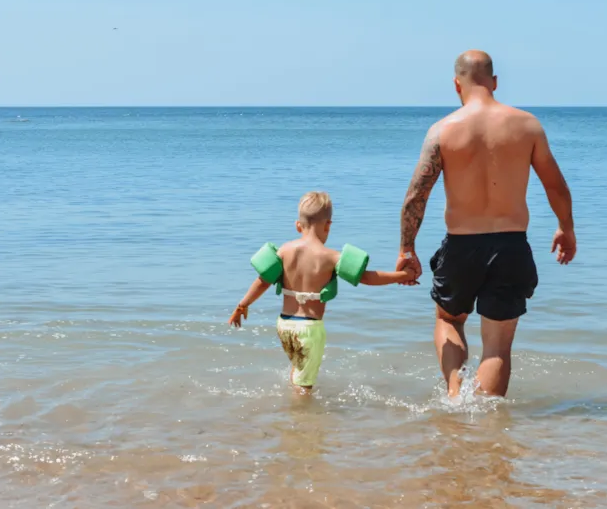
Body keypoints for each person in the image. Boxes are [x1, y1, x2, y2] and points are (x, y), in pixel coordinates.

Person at [396, 50, 576, 398]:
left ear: (456, 84)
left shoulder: (442, 131)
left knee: (449, 320)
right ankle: (485, 426)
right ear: (494, 82)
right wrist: (565, 227)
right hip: (511, 246)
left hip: (461, 245)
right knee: (496, 348)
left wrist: (407, 249)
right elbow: (556, 185)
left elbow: (416, 197)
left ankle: (455, 394)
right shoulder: (527, 126)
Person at [229, 191, 412, 394]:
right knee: (304, 386)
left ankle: (290, 416)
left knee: (298, 370)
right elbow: (367, 278)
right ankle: (301, 421)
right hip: (309, 329)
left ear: (298, 225)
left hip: (284, 325)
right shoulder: (331, 257)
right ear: (328, 225)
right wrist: (401, 275)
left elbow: (263, 281)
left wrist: (242, 305)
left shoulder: (284, 251)